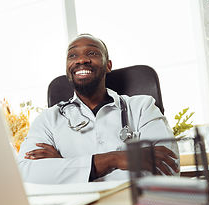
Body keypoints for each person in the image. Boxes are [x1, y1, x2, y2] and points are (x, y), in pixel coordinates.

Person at [16, 34, 179, 184]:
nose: (81, 60)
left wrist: (64, 168)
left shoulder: (142, 107)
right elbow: (25, 173)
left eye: (92, 53)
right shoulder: (47, 119)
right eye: (72, 55)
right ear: (67, 68)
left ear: (108, 65)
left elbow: (167, 167)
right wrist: (114, 159)